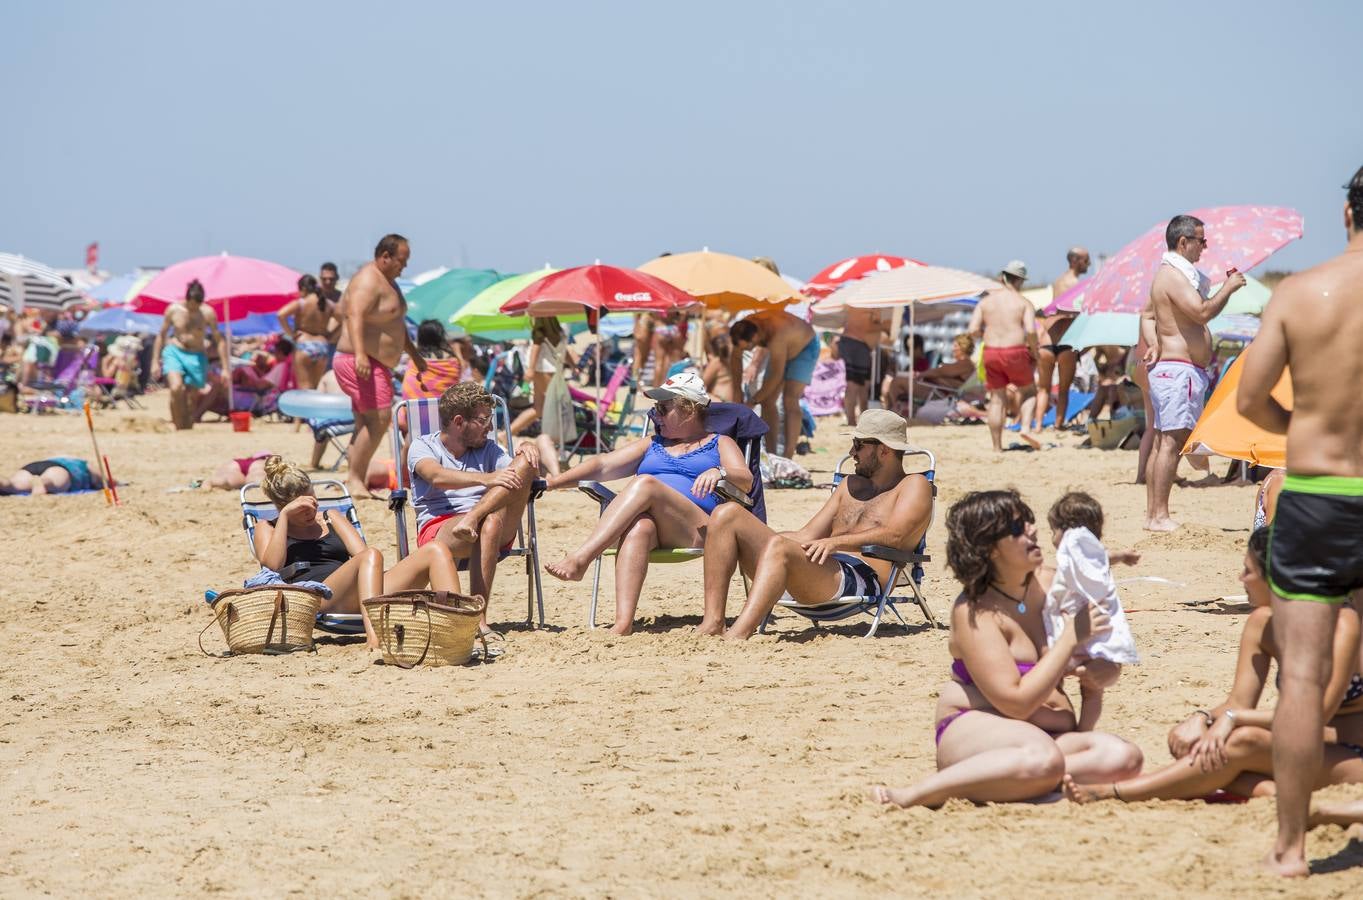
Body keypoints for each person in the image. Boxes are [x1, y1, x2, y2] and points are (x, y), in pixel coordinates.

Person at [1236, 165, 1363, 877]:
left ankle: (1288, 849)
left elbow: (1251, 401)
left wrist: (1303, 429)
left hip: (1314, 491)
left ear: (1347, 213)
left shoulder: (1297, 292)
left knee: (1305, 681)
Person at [871, 489, 1143, 808]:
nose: (1032, 529)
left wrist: (1104, 672)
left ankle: (1022, 785)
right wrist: (1070, 639)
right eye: (1016, 528)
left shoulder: (1055, 585)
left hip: (1045, 738)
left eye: (1028, 521)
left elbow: (1110, 653)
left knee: (1124, 757)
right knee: (1043, 759)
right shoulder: (975, 612)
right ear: (989, 550)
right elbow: (1015, 703)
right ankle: (924, 792)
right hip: (977, 728)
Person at [1064, 528, 1363, 807]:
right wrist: (1201, 718)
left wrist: (1233, 718)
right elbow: (1238, 701)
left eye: (1248, 571)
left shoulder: (1341, 624)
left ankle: (1118, 792)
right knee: (1195, 740)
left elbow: (1315, 715)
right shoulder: (1263, 623)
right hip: (1299, 747)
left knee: (1242, 741)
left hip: (1349, 753)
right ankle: (1270, 792)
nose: (1240, 578)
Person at [545, 372, 753, 635]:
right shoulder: (653, 444)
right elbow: (602, 465)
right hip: (659, 529)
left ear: (688, 410)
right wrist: (553, 482)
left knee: (646, 484)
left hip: (699, 530)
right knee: (640, 527)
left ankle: (581, 558)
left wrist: (721, 472)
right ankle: (622, 624)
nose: (656, 415)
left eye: (663, 409)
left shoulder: (719, 443)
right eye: (655, 409)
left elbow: (745, 479)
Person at [697, 409, 931, 640]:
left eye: (859, 445)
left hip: (861, 580)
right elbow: (807, 534)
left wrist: (834, 542)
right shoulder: (850, 485)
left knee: (778, 547)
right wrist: (759, 540)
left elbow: (896, 536)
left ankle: (737, 634)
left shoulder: (914, 485)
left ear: (884, 450)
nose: (852, 452)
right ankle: (712, 623)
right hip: (816, 571)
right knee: (727, 514)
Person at [253, 456, 461, 650]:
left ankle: (458, 628)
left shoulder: (330, 516)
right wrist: (285, 517)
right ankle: (375, 636)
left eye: (313, 501)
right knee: (370, 556)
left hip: (359, 593)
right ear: (282, 506)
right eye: (301, 508)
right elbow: (272, 566)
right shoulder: (268, 527)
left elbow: (363, 553)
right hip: (318, 597)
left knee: (436, 549)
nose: (311, 511)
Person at [1140, 214, 1246, 531]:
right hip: (1177, 371)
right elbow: (1201, 313)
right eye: (1201, 240)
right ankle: (1158, 515)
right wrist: (1228, 288)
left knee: (1163, 442)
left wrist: (1155, 341)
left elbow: (1146, 315)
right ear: (1183, 242)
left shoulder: (1172, 276)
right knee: (1170, 443)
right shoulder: (1172, 276)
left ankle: (1153, 514)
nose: (1205, 246)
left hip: (1175, 368)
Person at [408, 381, 539, 637]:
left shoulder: (488, 448)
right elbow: (434, 475)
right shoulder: (422, 446)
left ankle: (475, 517)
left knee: (524, 465)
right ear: (459, 422)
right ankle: (479, 619)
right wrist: (486, 479)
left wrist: (526, 451)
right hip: (442, 528)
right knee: (488, 524)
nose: (490, 427)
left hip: (488, 524)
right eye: (484, 420)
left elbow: (516, 473)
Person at [334, 234, 428, 499]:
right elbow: (354, 315)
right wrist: (361, 354)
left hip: (372, 362)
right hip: (359, 360)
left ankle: (356, 477)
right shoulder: (368, 279)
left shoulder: (388, 282)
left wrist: (415, 356)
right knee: (379, 420)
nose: (405, 266)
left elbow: (395, 327)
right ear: (385, 256)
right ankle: (355, 480)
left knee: (367, 421)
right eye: (402, 260)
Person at [1043, 492, 1140, 732]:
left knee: (1052, 678)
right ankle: (1084, 731)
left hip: (1074, 629)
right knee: (1093, 693)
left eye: (1053, 530)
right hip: (1100, 641)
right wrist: (1122, 556)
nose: (1052, 538)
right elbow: (1105, 557)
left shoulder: (1073, 541)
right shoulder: (1093, 554)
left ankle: (1073, 676)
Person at [968, 261, 1040, 452]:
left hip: (991, 351)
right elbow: (1032, 332)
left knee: (997, 399)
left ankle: (997, 447)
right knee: (1029, 391)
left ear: (1002, 277)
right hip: (1015, 350)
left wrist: (989, 331)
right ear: (1021, 281)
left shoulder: (986, 302)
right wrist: (1035, 352)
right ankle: (1025, 427)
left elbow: (973, 330)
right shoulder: (1024, 303)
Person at [728, 309, 817, 457]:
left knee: (790, 399)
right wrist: (737, 391)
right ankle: (772, 454)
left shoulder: (777, 336)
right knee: (768, 402)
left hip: (805, 347)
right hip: (785, 347)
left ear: (755, 337)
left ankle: (788, 456)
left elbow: (776, 375)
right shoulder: (743, 329)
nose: (748, 350)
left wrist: (752, 400)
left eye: (749, 347)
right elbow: (736, 359)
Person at [150, 278, 230, 431]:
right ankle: (177, 425)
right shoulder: (173, 310)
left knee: (192, 396)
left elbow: (220, 340)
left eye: (198, 305)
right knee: (176, 388)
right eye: (192, 305)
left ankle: (186, 425)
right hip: (175, 351)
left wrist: (225, 368)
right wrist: (155, 361)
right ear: (187, 300)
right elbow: (161, 335)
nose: (194, 309)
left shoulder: (207, 313)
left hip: (197, 355)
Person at [1033, 248, 1090, 431]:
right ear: (1075, 261)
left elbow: (1054, 310)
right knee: (1064, 389)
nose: (1088, 264)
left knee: (1043, 389)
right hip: (1066, 339)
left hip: (1047, 338)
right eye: (1086, 260)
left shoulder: (1057, 282)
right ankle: (1058, 425)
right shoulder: (1076, 284)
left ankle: (1039, 425)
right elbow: (1076, 312)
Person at [277, 273, 340, 390]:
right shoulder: (328, 304)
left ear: (304, 288)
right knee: (317, 388)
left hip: (304, 344)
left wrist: (291, 334)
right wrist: (332, 335)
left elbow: (281, 314)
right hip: (322, 345)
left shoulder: (302, 303)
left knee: (305, 388)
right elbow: (344, 318)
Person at [510, 316, 570, 436]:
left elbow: (562, 351)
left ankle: (506, 434)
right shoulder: (544, 332)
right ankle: (554, 441)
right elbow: (535, 349)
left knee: (539, 409)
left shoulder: (552, 330)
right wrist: (530, 370)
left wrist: (573, 364)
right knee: (554, 407)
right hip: (545, 370)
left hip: (546, 370)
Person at [840, 305, 893, 426]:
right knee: (854, 384)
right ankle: (852, 421)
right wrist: (884, 326)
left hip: (859, 345)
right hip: (856, 343)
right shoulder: (864, 305)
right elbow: (865, 326)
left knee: (863, 385)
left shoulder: (865, 305)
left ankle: (861, 419)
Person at [0, 457, 103, 495]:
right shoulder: (85, 464)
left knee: (12, 485)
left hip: (33, 465)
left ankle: (3, 483)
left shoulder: (65, 458)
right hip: (58, 469)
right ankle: (43, 482)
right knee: (51, 481)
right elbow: (104, 481)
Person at [701, 332, 738, 403]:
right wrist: (716, 400)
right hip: (719, 402)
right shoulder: (717, 362)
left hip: (731, 404)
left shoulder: (734, 362)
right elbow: (700, 385)